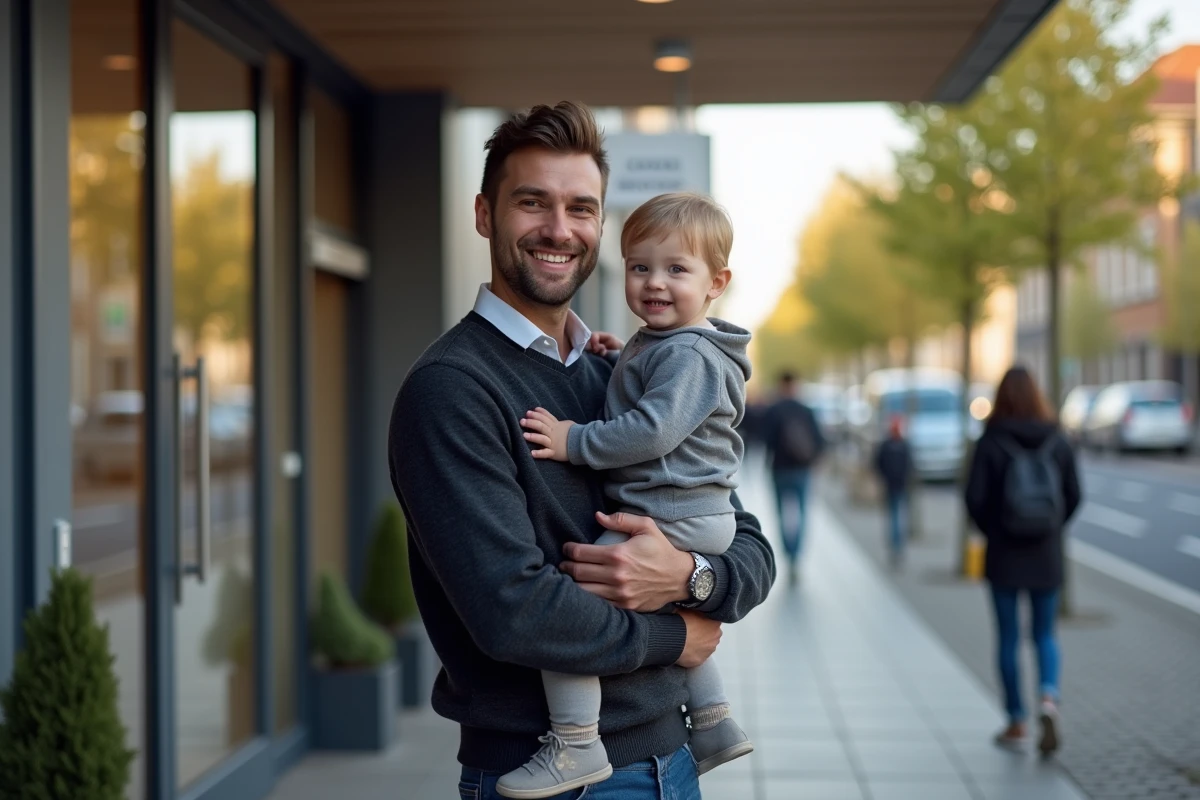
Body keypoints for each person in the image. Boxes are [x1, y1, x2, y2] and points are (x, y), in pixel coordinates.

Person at [388, 102, 775, 800]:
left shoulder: (616, 367)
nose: (559, 229)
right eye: (532, 203)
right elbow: (515, 610)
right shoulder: (452, 390)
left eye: (581, 207)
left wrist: (691, 579)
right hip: (555, 780)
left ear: (599, 224)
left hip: (672, 759)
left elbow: (746, 544)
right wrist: (676, 637)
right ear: (484, 215)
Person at [517, 192, 754, 796]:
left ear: (715, 283)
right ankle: (713, 722)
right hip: (694, 514)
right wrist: (622, 356)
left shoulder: (692, 354)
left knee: (571, 613)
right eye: (641, 267)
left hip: (673, 513)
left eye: (677, 269)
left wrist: (575, 442)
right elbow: (660, 387)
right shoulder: (666, 344)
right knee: (672, 606)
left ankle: (576, 742)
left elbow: (654, 428)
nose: (655, 282)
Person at [965, 366, 1081, 757]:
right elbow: (1074, 494)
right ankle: (1049, 697)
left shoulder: (991, 440)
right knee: (1046, 634)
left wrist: (996, 530)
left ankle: (1017, 720)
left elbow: (974, 499)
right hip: (1046, 553)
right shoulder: (1057, 439)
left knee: (1009, 638)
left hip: (1003, 554)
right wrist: (1049, 528)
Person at [762, 372, 826, 583]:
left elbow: (767, 441)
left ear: (781, 385)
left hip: (779, 469)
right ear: (795, 385)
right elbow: (819, 440)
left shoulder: (773, 410)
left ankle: (788, 553)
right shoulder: (806, 410)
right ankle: (796, 554)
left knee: (781, 514)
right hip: (802, 470)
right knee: (802, 513)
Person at [873, 415, 913, 568]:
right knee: (897, 515)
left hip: (891, 485)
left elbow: (877, 463)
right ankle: (897, 544)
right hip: (899, 486)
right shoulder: (903, 445)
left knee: (893, 516)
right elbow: (909, 465)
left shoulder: (886, 445)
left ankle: (895, 544)